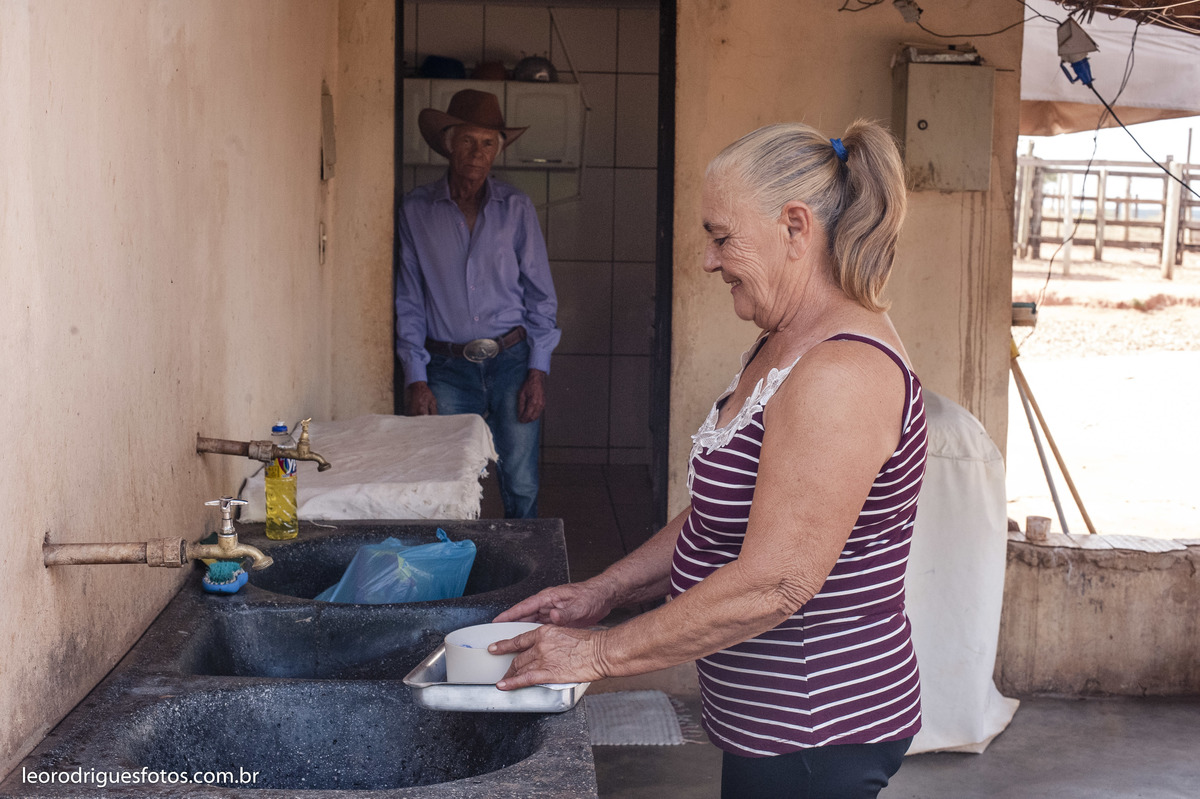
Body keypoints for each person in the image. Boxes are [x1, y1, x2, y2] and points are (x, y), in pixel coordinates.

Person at [491, 121, 927, 798]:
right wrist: (604, 591)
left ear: (794, 227)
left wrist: (597, 653)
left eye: (722, 236)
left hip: (817, 726)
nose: (706, 260)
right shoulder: (781, 343)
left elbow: (776, 582)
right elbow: (716, 516)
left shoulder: (842, 369)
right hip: (770, 722)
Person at [397, 89, 560, 519]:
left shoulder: (517, 208)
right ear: (449, 145)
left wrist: (537, 371)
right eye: (468, 140)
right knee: (447, 482)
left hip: (511, 360)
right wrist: (416, 377)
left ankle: (526, 578)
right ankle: (459, 578)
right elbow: (409, 299)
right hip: (446, 369)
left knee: (520, 482)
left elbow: (541, 295)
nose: (477, 153)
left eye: (489, 143)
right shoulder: (416, 211)